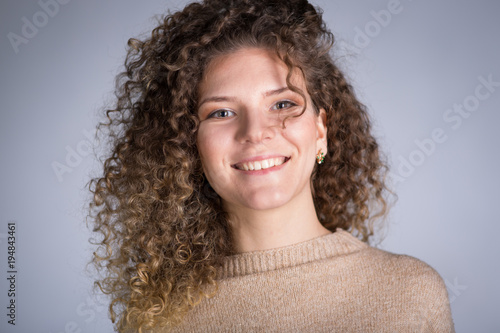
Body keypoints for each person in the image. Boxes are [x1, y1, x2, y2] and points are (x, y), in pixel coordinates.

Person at [88, 0, 455, 332]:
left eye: (282, 105)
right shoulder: (156, 319)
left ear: (320, 130)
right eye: (222, 112)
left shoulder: (411, 293)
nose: (255, 133)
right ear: (187, 145)